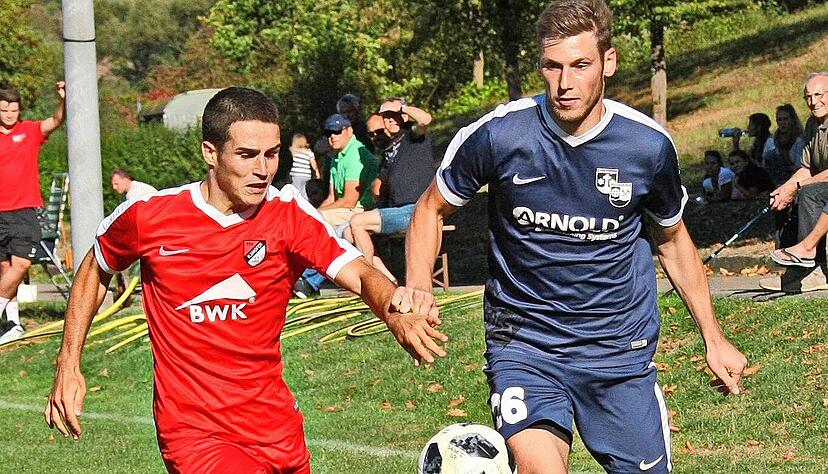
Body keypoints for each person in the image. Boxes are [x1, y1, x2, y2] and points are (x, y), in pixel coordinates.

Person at [392, 1, 747, 472]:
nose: (564, 83)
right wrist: (418, 284)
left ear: (609, 62)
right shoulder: (499, 135)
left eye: (580, 65)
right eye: (552, 66)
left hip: (618, 348)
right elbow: (430, 208)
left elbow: (672, 240)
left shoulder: (646, 146)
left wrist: (714, 337)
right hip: (524, 343)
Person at [44, 87, 446, 473]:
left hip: (275, 428)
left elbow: (358, 272)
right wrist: (69, 361)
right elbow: (96, 268)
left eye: (271, 154)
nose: (263, 170)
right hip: (195, 434)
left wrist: (393, 308)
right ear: (210, 152)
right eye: (247, 155)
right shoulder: (150, 216)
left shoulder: (288, 214)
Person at [0, 81, 65, 344]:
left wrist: (63, 99)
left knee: (22, 264)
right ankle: (13, 324)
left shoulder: (30, 131)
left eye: (13, 110)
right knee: (5, 267)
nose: (9, 114)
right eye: (4, 109)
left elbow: (57, 119)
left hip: (24, 211)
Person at [345, 108, 435, 282]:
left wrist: (402, 108)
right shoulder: (390, 151)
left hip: (416, 210)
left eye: (393, 116)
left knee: (357, 222)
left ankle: (370, 281)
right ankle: (388, 281)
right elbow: (378, 190)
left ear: (402, 117)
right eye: (386, 118)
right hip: (396, 208)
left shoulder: (411, 136)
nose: (390, 120)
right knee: (349, 233)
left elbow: (425, 119)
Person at [762, 72, 828, 293]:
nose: (813, 101)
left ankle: (813, 268)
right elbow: (807, 168)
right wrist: (784, 189)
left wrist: (798, 187)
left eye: (819, 94)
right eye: (808, 96)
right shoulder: (812, 124)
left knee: (809, 193)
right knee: (782, 199)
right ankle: (790, 269)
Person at [318, 113, 377, 230]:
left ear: (349, 131)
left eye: (337, 132)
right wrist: (312, 212)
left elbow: (350, 200)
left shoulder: (355, 154)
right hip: (345, 209)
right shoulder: (336, 156)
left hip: (361, 210)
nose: (332, 136)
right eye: (328, 133)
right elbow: (331, 197)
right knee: (311, 218)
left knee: (318, 221)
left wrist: (316, 213)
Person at [769, 103, 805, 186]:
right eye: (779, 120)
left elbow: (799, 165)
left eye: (785, 119)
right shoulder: (776, 138)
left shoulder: (799, 140)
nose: (782, 123)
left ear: (792, 120)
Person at [288, 132, 319, 200]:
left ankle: (296, 204)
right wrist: (317, 172)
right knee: (303, 191)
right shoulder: (309, 152)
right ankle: (305, 203)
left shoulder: (295, 151)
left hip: (297, 174)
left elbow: (290, 149)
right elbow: (313, 164)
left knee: (295, 190)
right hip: (306, 175)